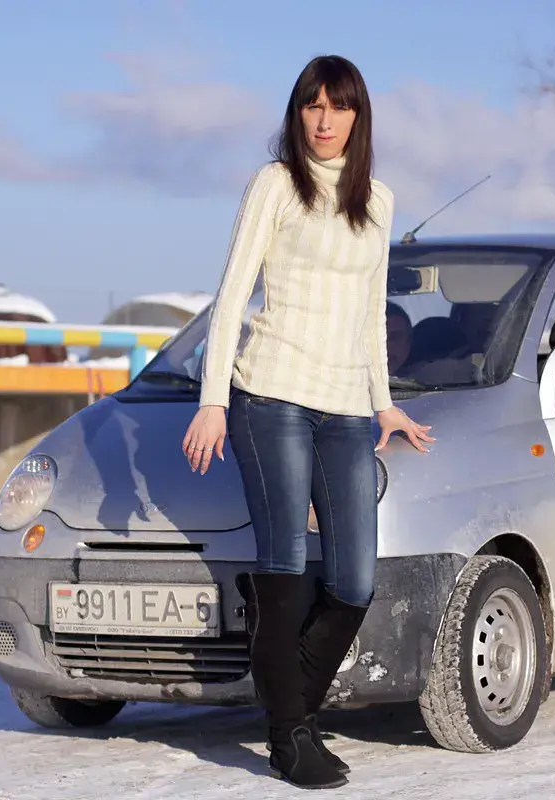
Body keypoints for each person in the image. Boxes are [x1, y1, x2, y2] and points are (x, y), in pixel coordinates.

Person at [180, 54, 436, 790]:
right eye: (311, 107)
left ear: (359, 117)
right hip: (274, 395)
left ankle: (283, 691)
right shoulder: (275, 184)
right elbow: (232, 296)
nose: (324, 121)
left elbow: (369, 316)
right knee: (286, 558)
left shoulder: (377, 201)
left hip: (347, 407)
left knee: (354, 578)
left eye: (339, 107)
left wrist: (383, 401)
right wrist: (213, 398)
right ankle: (290, 734)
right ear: (297, 115)